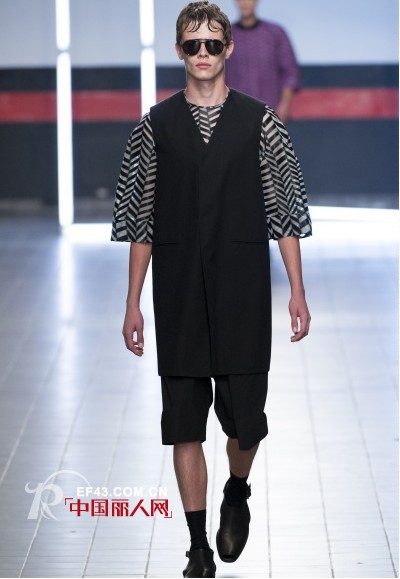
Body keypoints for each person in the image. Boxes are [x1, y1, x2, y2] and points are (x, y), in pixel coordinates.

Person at [111, 2, 311, 576]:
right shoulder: (154, 126)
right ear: (179, 50)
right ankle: (198, 546)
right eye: (193, 44)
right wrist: (132, 302)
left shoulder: (261, 122)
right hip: (177, 288)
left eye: (213, 44)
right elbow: (140, 221)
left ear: (228, 49)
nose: (203, 53)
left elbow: (285, 211)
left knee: (246, 420)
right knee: (183, 423)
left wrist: (297, 290)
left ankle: (237, 491)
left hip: (242, 286)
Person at [225, 0, 300, 122]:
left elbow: (289, 72)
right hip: (235, 114)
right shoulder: (226, 36)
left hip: (270, 114)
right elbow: (216, 73)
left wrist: (285, 105)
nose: (244, 3)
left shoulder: (275, 33)